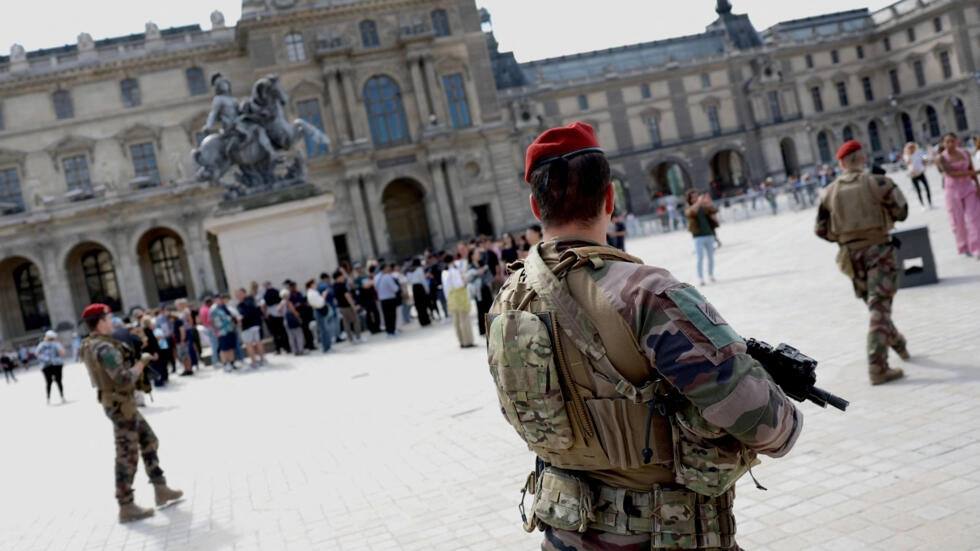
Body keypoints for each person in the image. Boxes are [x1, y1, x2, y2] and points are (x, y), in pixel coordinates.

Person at [486, 122, 802, 550]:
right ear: (610, 197)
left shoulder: (508, 300)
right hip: (660, 536)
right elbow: (768, 428)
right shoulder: (644, 293)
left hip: (563, 534)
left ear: (535, 206)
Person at [815, 140, 910, 385]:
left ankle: (898, 342)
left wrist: (844, 238)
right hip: (879, 250)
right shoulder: (879, 183)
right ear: (863, 159)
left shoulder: (828, 192)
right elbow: (902, 211)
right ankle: (877, 366)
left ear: (841, 163)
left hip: (851, 256)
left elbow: (820, 229)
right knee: (879, 306)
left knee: (875, 305)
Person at [79, 303, 183, 523]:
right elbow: (124, 378)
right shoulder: (104, 348)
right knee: (127, 455)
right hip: (120, 406)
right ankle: (126, 505)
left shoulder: (91, 344)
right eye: (108, 318)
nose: (111, 322)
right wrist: (141, 363)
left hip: (119, 403)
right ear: (100, 322)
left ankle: (160, 488)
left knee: (149, 440)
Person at [935, 133, 980, 259]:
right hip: (952, 190)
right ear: (943, 144)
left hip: (968, 188)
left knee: (974, 217)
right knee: (957, 220)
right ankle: (964, 246)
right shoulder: (941, 158)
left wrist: (977, 184)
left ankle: (977, 247)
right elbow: (952, 173)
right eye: (947, 142)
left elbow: (971, 167)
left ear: (957, 141)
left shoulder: (965, 152)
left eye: (952, 141)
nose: (949, 144)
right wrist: (976, 172)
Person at [685, 189, 719, 286]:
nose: (697, 198)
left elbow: (714, 211)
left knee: (711, 257)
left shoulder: (704, 207)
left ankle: (710, 274)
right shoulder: (689, 208)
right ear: (690, 199)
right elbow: (692, 212)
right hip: (698, 236)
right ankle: (700, 277)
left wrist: (708, 203)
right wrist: (700, 202)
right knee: (700, 257)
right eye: (694, 196)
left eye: (697, 195)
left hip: (708, 234)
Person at [442, 252, 475, 348]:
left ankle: (461, 341)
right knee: (464, 320)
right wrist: (463, 278)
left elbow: (446, 288)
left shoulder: (444, 272)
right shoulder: (454, 271)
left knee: (456, 322)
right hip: (460, 297)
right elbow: (459, 284)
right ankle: (467, 341)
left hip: (451, 299)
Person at [235, 288, 266, 368]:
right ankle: (260, 360)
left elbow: (247, 313)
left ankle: (255, 362)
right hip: (251, 326)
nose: (237, 295)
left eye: (239, 293)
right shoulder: (244, 303)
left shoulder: (247, 302)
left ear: (244, 293)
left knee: (252, 344)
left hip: (250, 326)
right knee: (255, 343)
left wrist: (241, 318)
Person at [35, 330, 67, 404]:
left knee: (48, 382)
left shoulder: (41, 344)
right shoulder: (56, 344)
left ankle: (48, 399)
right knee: (59, 381)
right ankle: (62, 397)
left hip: (45, 366)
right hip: (57, 364)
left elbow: (37, 354)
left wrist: (45, 358)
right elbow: (62, 353)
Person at [210, 293, 240, 371]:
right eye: (218, 299)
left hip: (230, 329)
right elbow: (212, 322)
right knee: (224, 348)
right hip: (221, 331)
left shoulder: (227, 307)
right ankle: (225, 363)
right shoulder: (213, 309)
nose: (220, 300)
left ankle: (232, 362)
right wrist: (215, 331)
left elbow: (234, 315)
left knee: (231, 347)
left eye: (221, 298)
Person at [903, 142, 934, 211]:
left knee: (927, 187)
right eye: (910, 148)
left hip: (920, 172)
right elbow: (907, 164)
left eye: (912, 147)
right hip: (913, 174)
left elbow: (923, 160)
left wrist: (924, 167)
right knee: (918, 190)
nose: (911, 149)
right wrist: (909, 157)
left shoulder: (918, 153)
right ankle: (922, 205)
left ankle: (930, 203)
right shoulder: (906, 155)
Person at [374, 263, 401, 337]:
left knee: (386, 316)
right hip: (390, 298)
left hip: (382, 299)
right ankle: (392, 331)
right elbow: (394, 288)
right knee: (392, 315)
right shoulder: (387, 277)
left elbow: (376, 288)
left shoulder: (376, 277)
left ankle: (389, 332)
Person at [306, 278, 332, 352]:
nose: (316, 285)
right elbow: (319, 303)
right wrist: (323, 296)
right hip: (318, 311)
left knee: (325, 330)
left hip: (320, 311)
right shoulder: (311, 293)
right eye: (314, 283)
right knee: (323, 330)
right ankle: (326, 348)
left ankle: (328, 346)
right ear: (311, 285)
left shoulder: (314, 292)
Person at [277, 288, 305, 355]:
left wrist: (283, 314)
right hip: (293, 320)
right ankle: (300, 350)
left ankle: (294, 350)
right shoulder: (288, 302)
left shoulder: (281, 303)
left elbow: (278, 310)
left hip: (286, 321)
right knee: (298, 335)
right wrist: (299, 318)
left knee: (291, 336)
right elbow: (294, 312)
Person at [405, 258, 431, 327]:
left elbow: (409, 281)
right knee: (422, 304)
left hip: (414, 288)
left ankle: (422, 321)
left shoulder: (409, 272)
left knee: (419, 305)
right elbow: (423, 280)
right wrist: (427, 289)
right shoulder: (419, 269)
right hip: (420, 287)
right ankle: (426, 320)